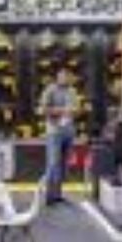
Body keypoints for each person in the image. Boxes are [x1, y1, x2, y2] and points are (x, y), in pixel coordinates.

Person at [38, 69, 78, 204]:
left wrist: (74, 111)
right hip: (54, 132)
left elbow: (76, 109)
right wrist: (61, 111)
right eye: (62, 77)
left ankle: (57, 194)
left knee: (63, 164)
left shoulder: (72, 91)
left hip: (69, 131)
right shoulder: (50, 90)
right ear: (57, 78)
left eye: (67, 77)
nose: (65, 79)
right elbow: (43, 109)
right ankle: (48, 195)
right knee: (53, 163)